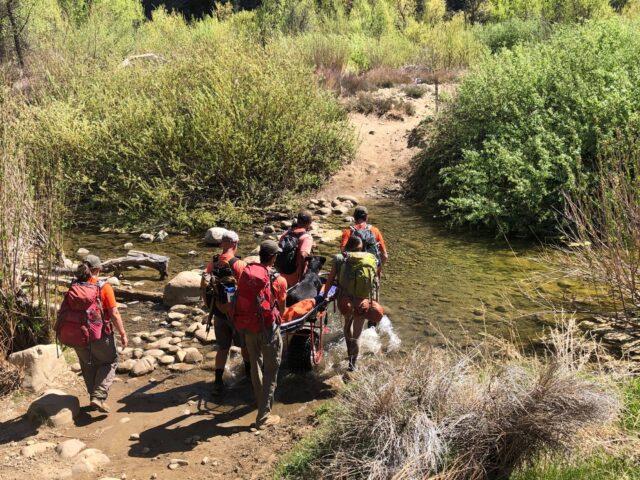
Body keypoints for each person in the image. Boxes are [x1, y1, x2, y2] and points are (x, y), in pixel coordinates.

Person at [63, 255, 127, 413]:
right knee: (110, 361)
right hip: (100, 335)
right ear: (97, 270)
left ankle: (94, 397)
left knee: (87, 365)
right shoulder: (103, 287)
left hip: (77, 334)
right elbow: (114, 313)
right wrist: (123, 334)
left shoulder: (74, 285)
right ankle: (98, 397)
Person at [234, 240, 287, 429]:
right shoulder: (277, 279)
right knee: (271, 370)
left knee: (254, 365)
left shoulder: (246, 273)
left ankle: (260, 404)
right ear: (273, 257)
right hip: (268, 328)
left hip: (248, 326)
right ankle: (264, 417)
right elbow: (281, 308)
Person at [200, 230, 250, 395]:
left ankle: (217, 381)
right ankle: (250, 376)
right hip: (237, 315)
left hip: (219, 313)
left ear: (222, 244)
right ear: (235, 244)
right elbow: (246, 290)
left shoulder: (213, 262)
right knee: (245, 346)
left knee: (223, 348)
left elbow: (204, 285)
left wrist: (210, 306)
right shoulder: (239, 264)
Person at [324, 236, 384, 372]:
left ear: (348, 245)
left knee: (347, 327)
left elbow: (330, 280)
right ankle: (352, 364)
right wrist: (375, 299)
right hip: (363, 301)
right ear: (360, 247)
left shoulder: (340, 258)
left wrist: (324, 296)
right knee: (357, 334)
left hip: (346, 301)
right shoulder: (371, 258)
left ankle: (348, 352)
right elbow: (375, 282)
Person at [275, 210, 314, 287]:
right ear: (309, 223)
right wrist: (302, 273)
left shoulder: (286, 233)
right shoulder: (306, 237)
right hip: (295, 274)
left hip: (281, 270)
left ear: (297, 221)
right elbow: (303, 255)